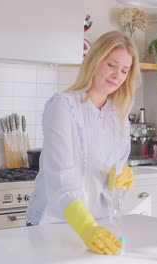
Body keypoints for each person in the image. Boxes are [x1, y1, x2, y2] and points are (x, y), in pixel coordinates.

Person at [25, 30, 141, 255]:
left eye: (124, 70)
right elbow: (62, 178)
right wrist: (86, 228)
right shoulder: (63, 106)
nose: (117, 75)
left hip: (97, 228)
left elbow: (107, 181)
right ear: (94, 61)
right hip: (54, 225)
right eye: (111, 65)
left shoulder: (119, 115)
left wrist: (119, 179)